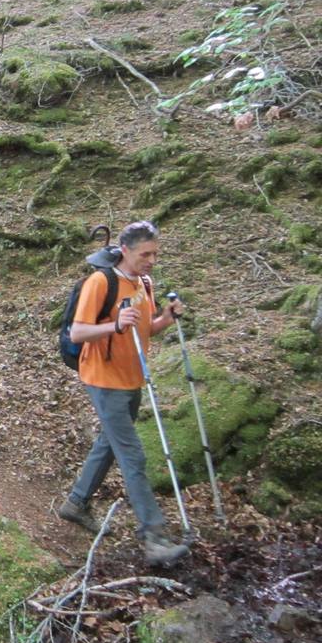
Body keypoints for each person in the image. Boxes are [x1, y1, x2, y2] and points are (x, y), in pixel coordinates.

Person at [59, 220, 190, 566]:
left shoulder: (144, 282)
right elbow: (78, 332)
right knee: (132, 455)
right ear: (126, 250)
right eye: (145, 254)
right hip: (103, 379)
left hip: (132, 379)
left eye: (155, 254)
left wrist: (165, 318)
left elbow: (145, 329)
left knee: (109, 443)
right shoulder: (101, 282)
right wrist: (114, 325)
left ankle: (76, 502)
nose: (151, 260)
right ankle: (154, 537)